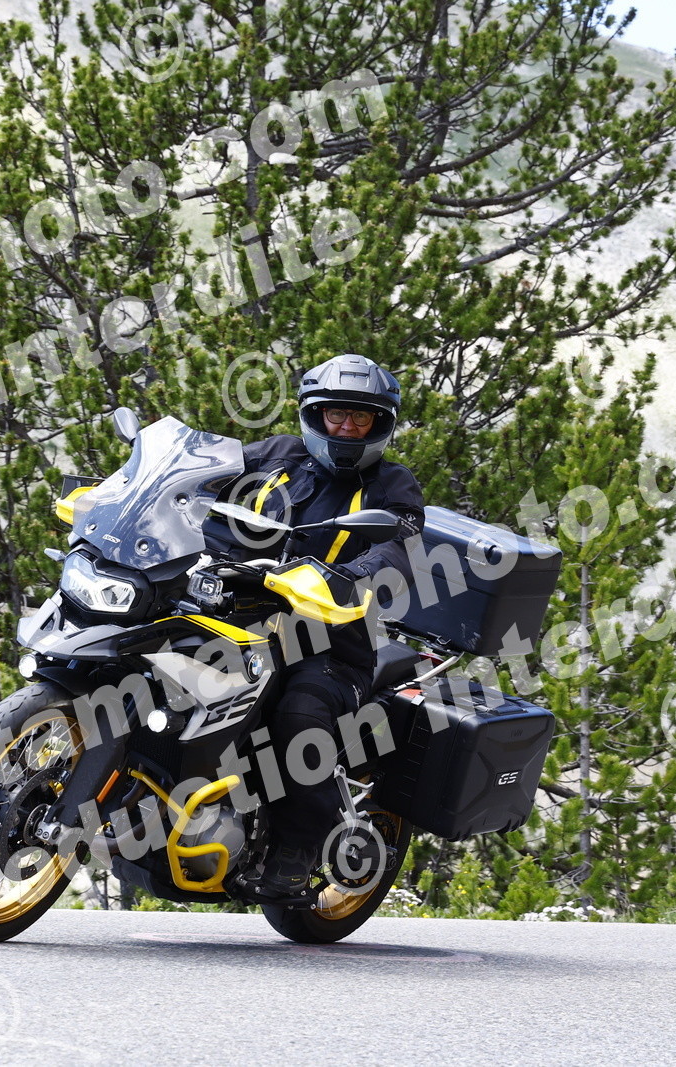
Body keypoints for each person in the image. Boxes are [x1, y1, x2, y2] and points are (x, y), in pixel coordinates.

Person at [229, 353, 426, 904]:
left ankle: (297, 850)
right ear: (315, 415)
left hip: (331, 645)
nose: (346, 428)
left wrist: (352, 577)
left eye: (360, 418)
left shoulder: (393, 486)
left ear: (379, 425)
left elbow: (398, 548)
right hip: (236, 616)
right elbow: (199, 470)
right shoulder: (276, 455)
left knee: (300, 717)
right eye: (336, 414)